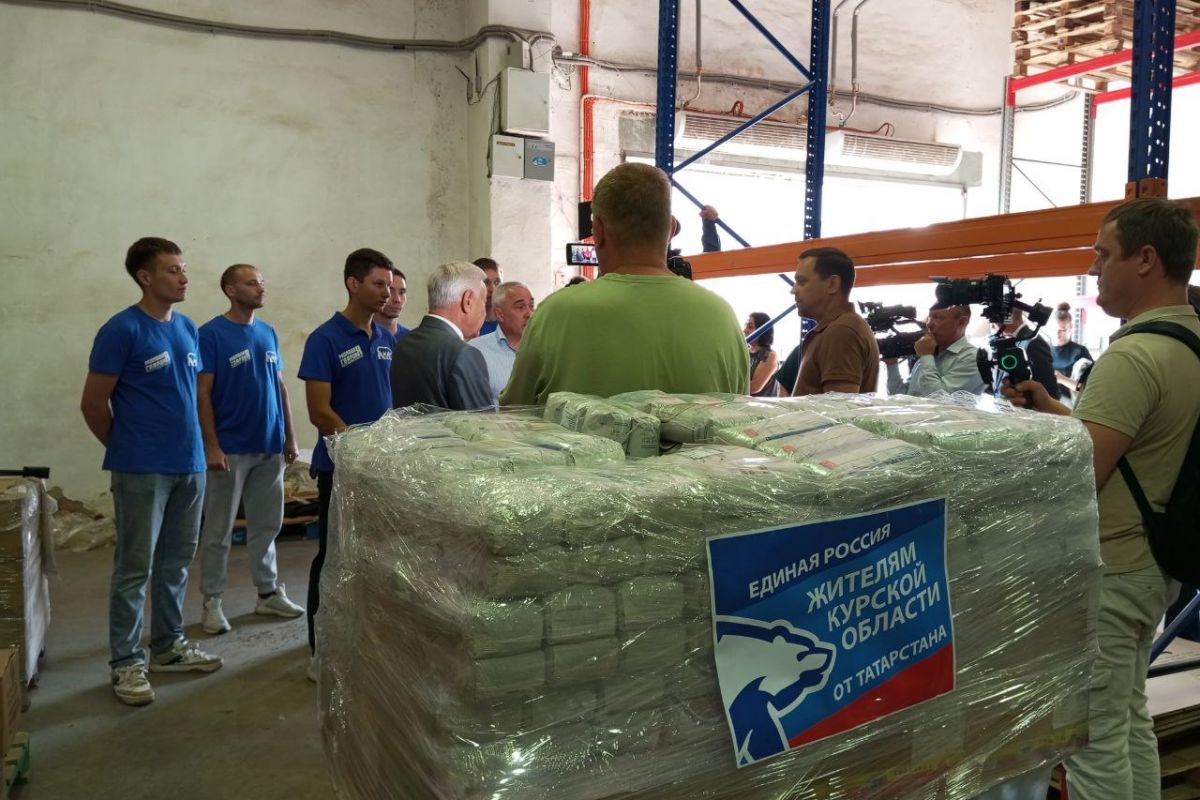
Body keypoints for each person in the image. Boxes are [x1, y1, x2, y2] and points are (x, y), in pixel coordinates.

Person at [1001, 198, 1200, 800]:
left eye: (1102, 254)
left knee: (1092, 741)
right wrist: (1054, 410)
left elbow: (1081, 476)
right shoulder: (1188, 341)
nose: (1093, 268)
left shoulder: (1132, 356)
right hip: (1153, 561)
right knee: (1127, 717)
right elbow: (1131, 445)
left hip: (1112, 567)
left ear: (1145, 259)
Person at [80, 237, 222, 706]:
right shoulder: (122, 330)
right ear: (145, 277)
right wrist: (128, 448)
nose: (184, 277)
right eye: (172, 270)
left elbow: (193, 396)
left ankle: (168, 646)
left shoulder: (186, 328)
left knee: (176, 563)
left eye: (184, 269)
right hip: (142, 469)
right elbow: (93, 404)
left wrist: (202, 449)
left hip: (189, 465)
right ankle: (126, 662)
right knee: (134, 569)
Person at [499, 163, 749, 405]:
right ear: (671, 229)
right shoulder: (722, 317)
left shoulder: (555, 315)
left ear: (598, 232)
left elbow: (514, 415)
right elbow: (741, 417)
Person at [298, 248, 395, 679]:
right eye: (378, 284)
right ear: (353, 284)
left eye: (390, 285)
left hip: (382, 468)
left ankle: (365, 644)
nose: (387, 292)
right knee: (333, 557)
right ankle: (320, 651)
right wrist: (357, 450)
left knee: (374, 558)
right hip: (341, 469)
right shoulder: (325, 339)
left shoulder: (387, 338)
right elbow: (319, 410)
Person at [196, 264, 304, 636]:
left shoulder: (267, 332)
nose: (260, 288)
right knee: (219, 530)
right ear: (230, 289)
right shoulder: (210, 334)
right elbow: (203, 393)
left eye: (261, 282)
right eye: (251, 283)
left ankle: (267, 593)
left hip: (269, 446)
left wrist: (289, 436)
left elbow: (280, 387)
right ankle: (212, 601)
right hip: (230, 450)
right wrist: (211, 445)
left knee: (267, 525)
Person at [390, 261, 494, 410]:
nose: (484, 311)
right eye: (483, 301)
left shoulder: (404, 343)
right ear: (467, 301)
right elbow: (482, 422)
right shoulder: (463, 354)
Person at [790, 248, 880, 395]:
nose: (793, 290)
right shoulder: (838, 328)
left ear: (832, 284)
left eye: (802, 282)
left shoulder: (841, 332)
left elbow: (840, 408)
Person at [886, 305, 986, 396]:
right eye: (929, 318)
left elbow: (938, 399)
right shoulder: (930, 353)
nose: (929, 324)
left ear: (962, 322)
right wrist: (892, 364)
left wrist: (926, 356)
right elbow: (902, 397)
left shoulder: (973, 358)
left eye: (938, 317)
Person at [467, 281, 535, 404]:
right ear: (500, 314)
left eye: (531, 306)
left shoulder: (546, 348)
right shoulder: (476, 351)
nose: (530, 314)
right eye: (520, 307)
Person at [993, 306, 1059, 400]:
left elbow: (1050, 392)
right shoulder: (1012, 341)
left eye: (995, 320)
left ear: (1009, 317)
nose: (993, 324)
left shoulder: (1034, 343)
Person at [1049, 303, 1093, 402]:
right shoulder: (1043, 348)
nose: (1057, 334)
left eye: (1062, 330)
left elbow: (1089, 387)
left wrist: (1062, 379)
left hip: (1068, 404)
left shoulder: (1080, 352)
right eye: (1055, 329)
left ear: (1070, 328)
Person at [744, 313, 778, 397]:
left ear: (762, 331)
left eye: (750, 327)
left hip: (760, 404)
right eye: (745, 326)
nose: (745, 330)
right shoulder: (744, 352)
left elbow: (754, 388)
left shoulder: (770, 355)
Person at [374, 266, 410, 338]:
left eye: (402, 292)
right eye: (390, 291)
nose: (397, 299)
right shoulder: (360, 336)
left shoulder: (411, 339)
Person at [473, 257, 502, 337]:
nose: (493, 289)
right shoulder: (465, 324)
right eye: (486, 283)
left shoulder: (510, 322)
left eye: (497, 282)